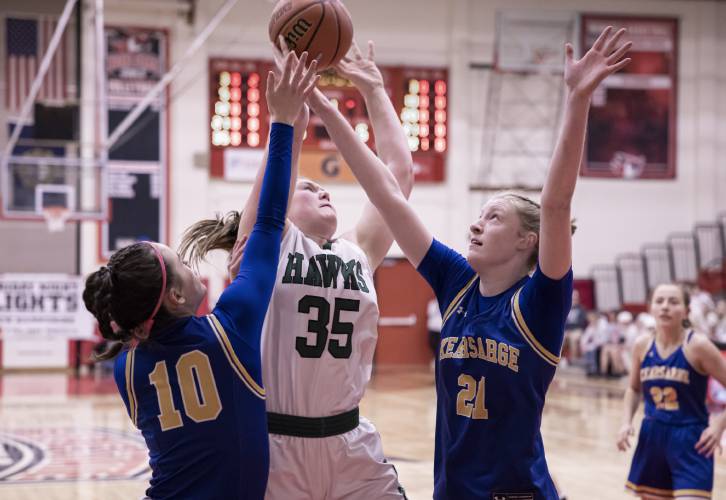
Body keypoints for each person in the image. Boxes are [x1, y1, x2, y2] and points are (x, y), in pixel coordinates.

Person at [305, 26, 631, 498]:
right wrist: (326, 108)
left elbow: (556, 202)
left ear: (526, 241)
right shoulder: (457, 282)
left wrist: (578, 98)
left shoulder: (539, 301)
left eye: (493, 218)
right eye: (478, 216)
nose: (476, 225)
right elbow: (388, 197)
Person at [179, 40, 412, 499]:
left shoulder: (358, 251)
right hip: (276, 444)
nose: (324, 192)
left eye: (324, 189)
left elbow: (398, 174)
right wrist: (289, 124)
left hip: (352, 442)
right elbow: (271, 191)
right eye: (308, 187)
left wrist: (374, 88)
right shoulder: (265, 249)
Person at [82, 52, 317, 500]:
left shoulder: (128, 369)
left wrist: (286, 126)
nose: (196, 271)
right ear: (173, 297)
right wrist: (285, 126)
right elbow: (268, 223)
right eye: (185, 266)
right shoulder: (230, 331)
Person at [617, 283, 726, 499]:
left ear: (686, 310)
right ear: (650, 308)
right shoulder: (642, 345)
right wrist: (626, 422)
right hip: (652, 436)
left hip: (691, 439)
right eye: (659, 301)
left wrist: (718, 426)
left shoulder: (698, 346)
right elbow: (633, 388)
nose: (665, 307)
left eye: (673, 302)